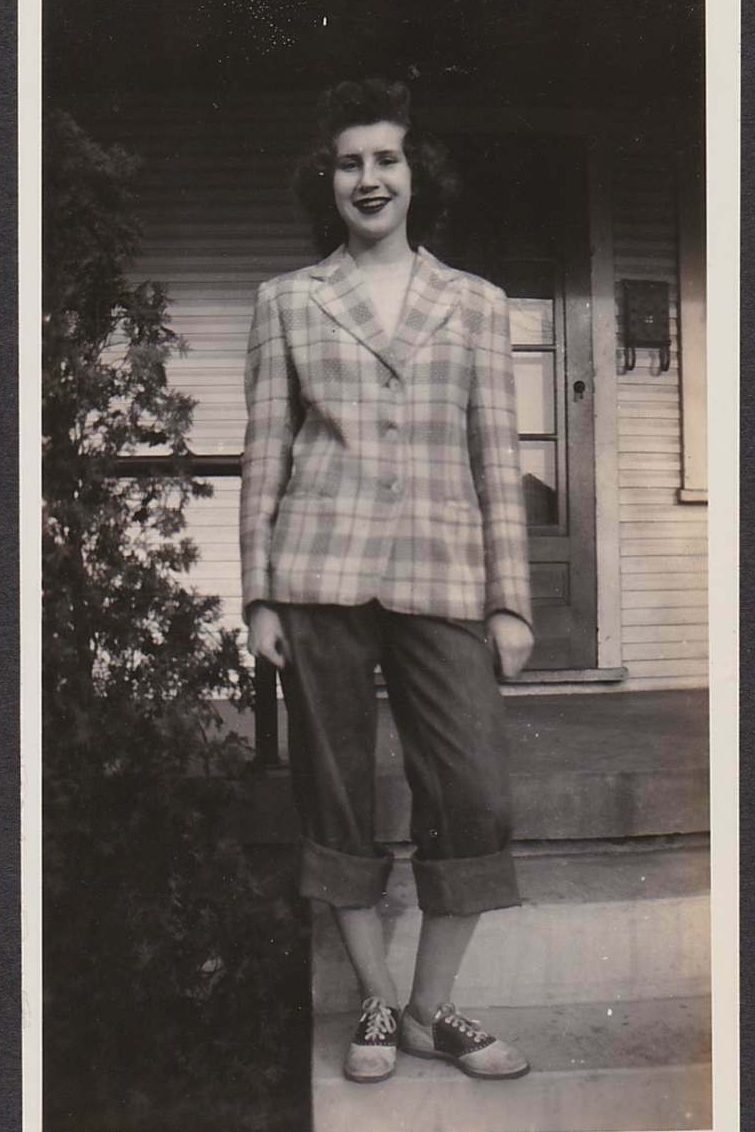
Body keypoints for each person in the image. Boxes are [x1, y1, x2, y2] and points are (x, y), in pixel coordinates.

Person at [240, 78, 534, 1085]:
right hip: (317, 573)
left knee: (474, 793)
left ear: (417, 176)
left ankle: (429, 1008)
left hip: (444, 576)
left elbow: (499, 459)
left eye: (386, 159)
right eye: (348, 161)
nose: (367, 178)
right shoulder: (287, 300)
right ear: (326, 180)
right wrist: (258, 594)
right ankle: (371, 996)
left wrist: (508, 600)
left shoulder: (475, 304)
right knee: (334, 795)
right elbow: (264, 453)